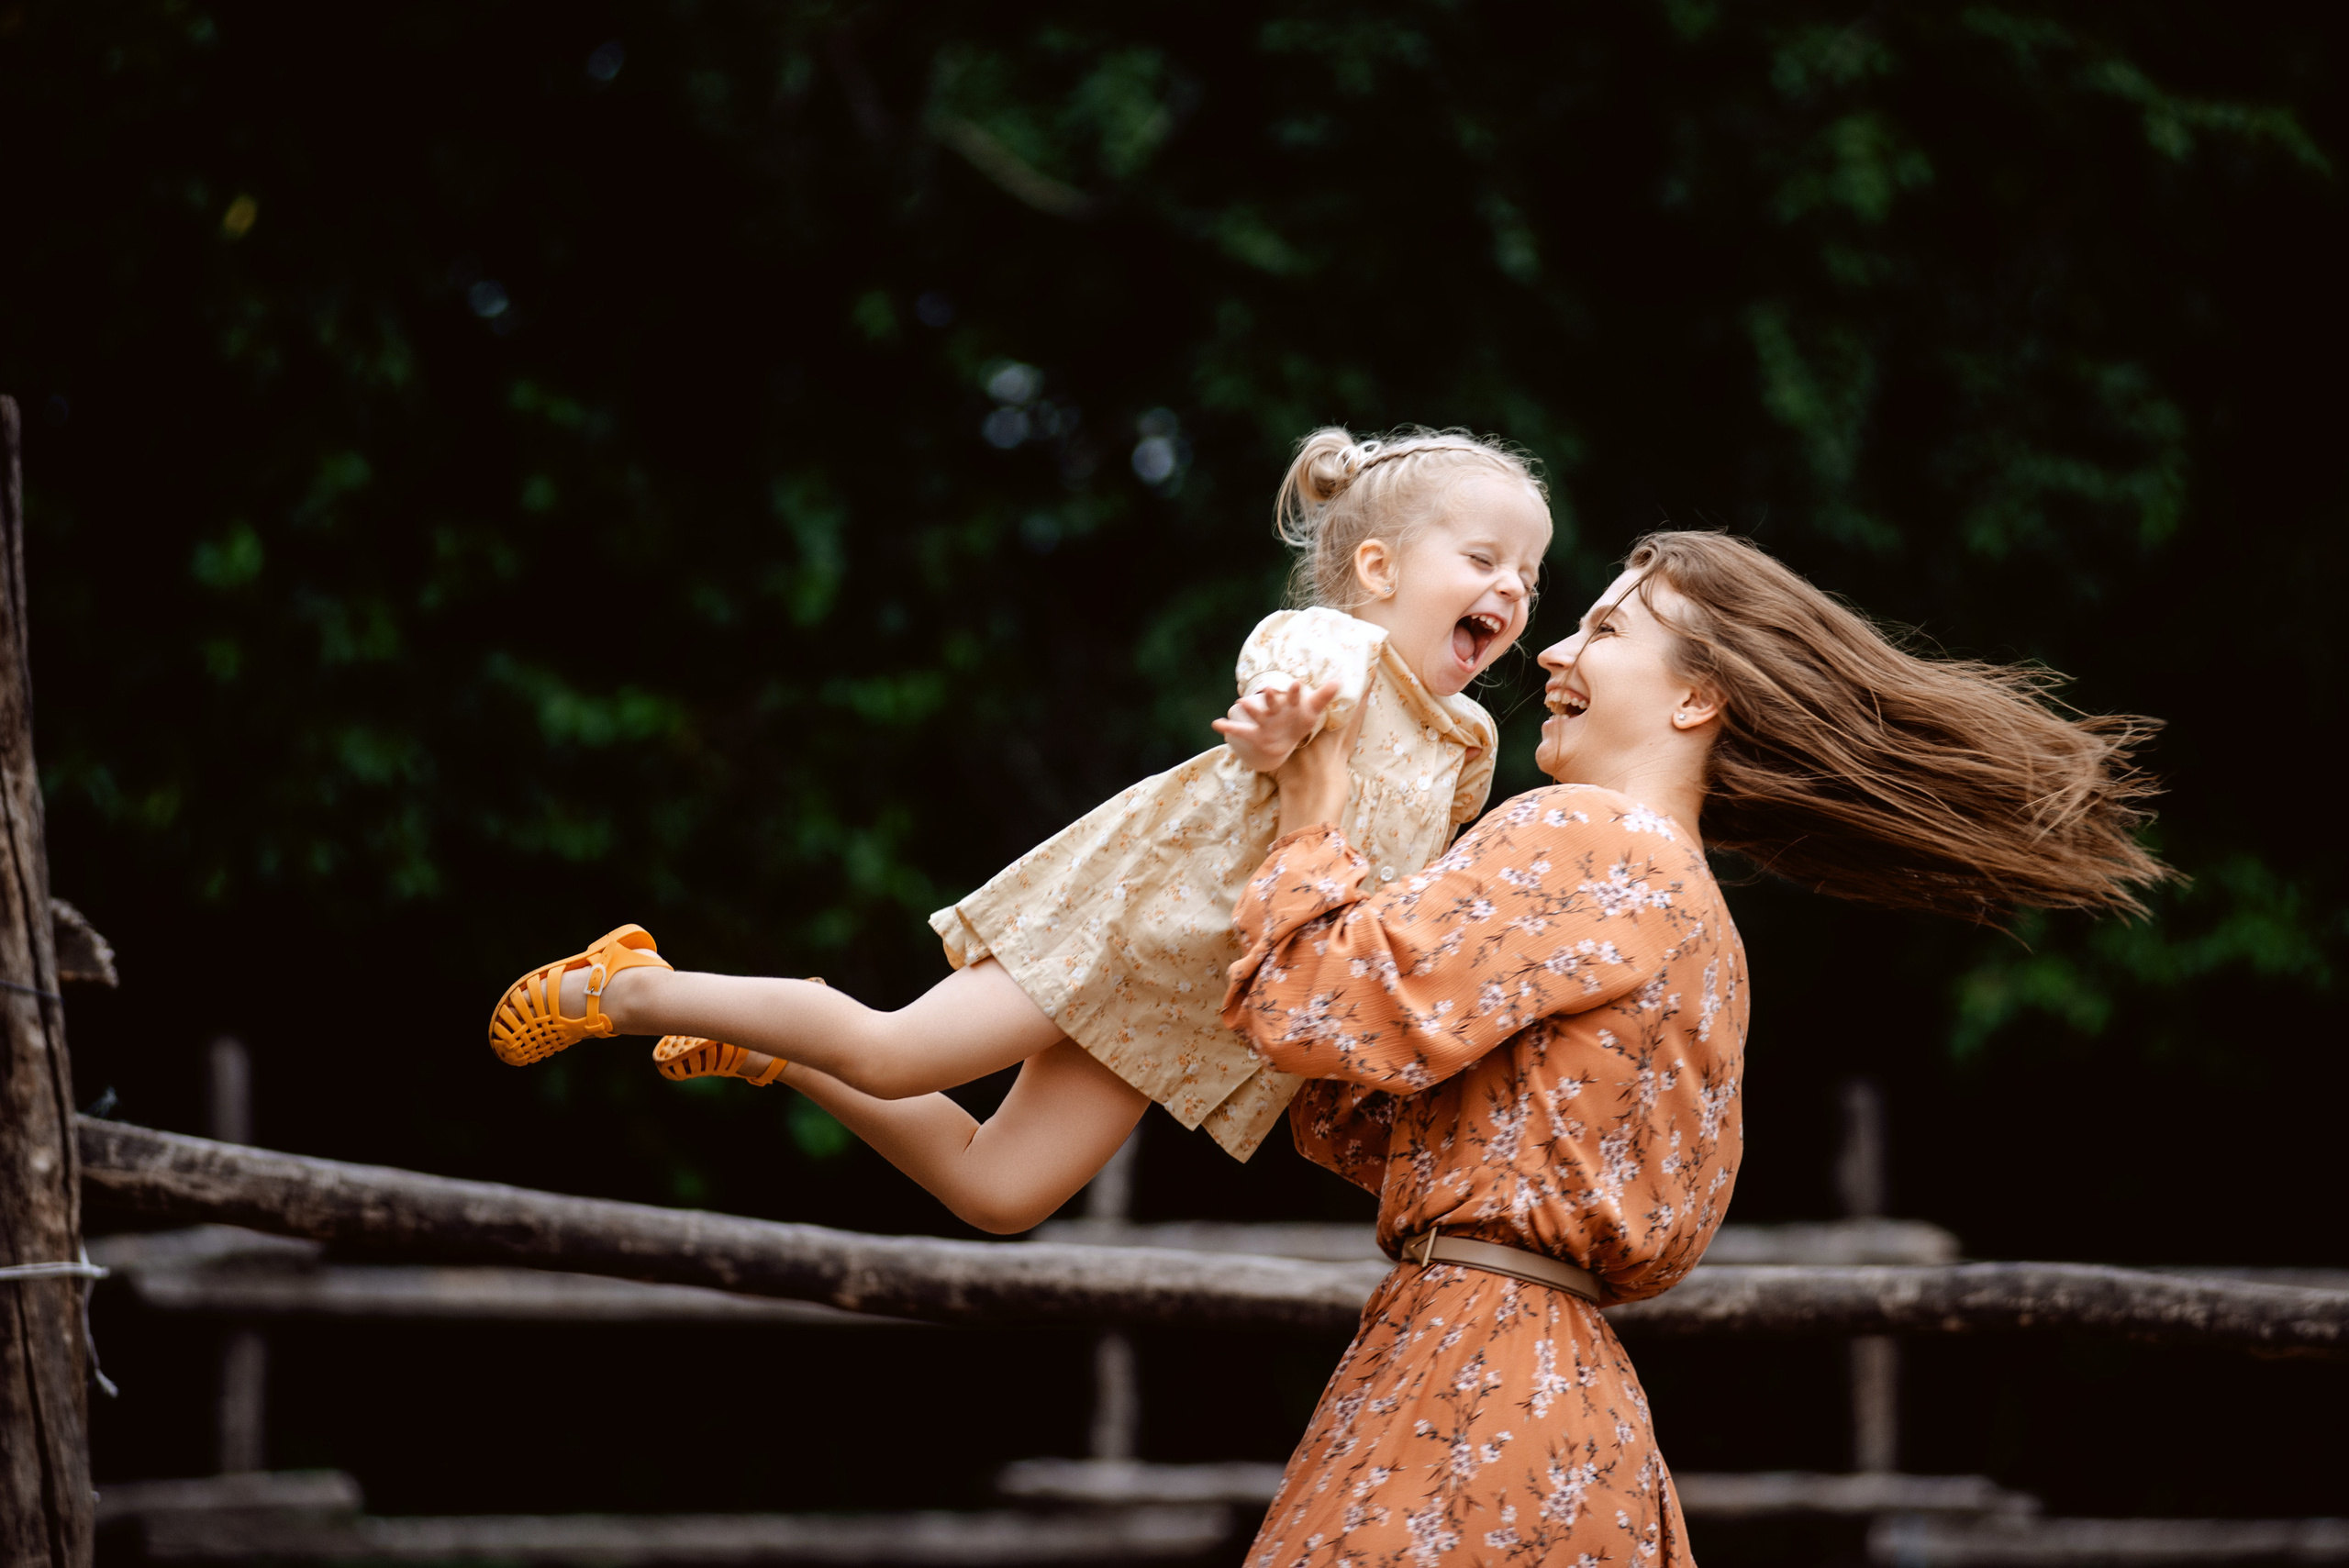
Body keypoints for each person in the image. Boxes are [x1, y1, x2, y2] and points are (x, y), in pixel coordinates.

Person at [1217, 528, 2167, 1566]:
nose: (1551, 653)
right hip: (1565, 1410)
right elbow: (1361, 1108)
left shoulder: (1582, 833)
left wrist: (1312, 810)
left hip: (1469, 1388)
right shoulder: (1700, 919)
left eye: (1605, 627)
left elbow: (1309, 1009)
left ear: (1694, 700)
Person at [485, 427, 1554, 1229]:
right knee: (897, 1053)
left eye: (1528, 575)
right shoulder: (1336, 648)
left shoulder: (1464, 739)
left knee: (1001, 1194)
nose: (1509, 589)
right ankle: (630, 985)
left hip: (1189, 999)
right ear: (1378, 572)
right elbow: (1285, 680)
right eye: (1480, 559)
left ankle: (776, 1047)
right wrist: (1279, 725)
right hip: (1126, 924)